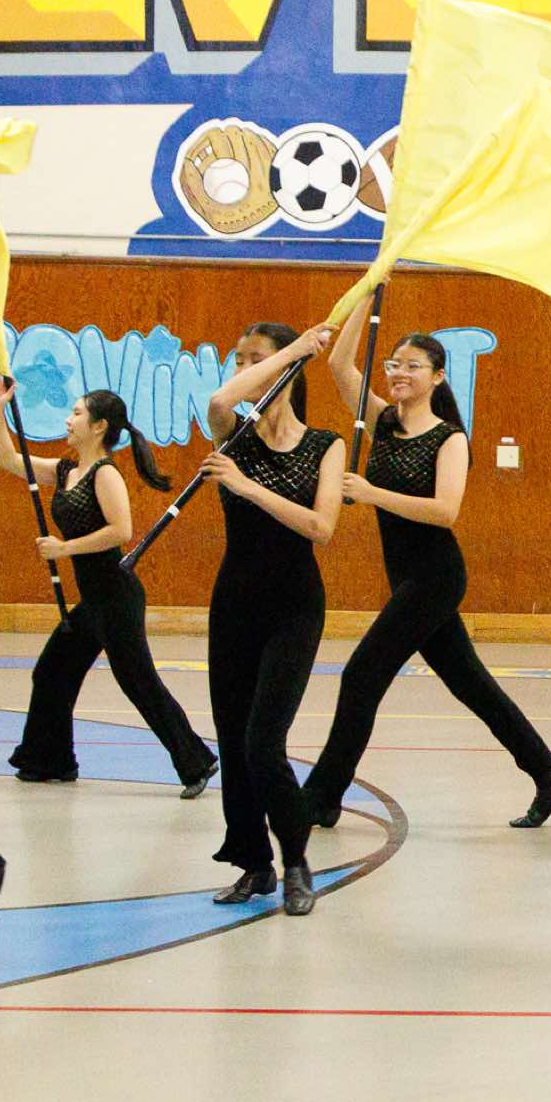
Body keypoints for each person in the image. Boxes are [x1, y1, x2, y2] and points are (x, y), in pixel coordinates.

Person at [303, 324, 551, 828]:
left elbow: (445, 511)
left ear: (437, 377)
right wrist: (365, 293)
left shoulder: (449, 438)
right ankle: (548, 776)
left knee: (361, 676)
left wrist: (371, 494)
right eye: (394, 364)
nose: (400, 373)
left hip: (435, 578)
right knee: (472, 684)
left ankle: (322, 796)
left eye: (413, 366)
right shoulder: (384, 423)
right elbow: (339, 366)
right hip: (406, 577)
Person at [0, 381, 216, 794]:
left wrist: (64, 549)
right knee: (52, 671)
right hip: (94, 600)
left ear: (98, 427)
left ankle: (196, 762)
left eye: (76, 413)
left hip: (116, 595)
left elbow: (120, 530)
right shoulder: (66, 471)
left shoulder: (105, 473)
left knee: (138, 681)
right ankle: (49, 761)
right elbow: (9, 460)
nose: (68, 420)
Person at [201, 322, 344, 917]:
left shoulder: (326, 445)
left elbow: (321, 527)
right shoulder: (232, 433)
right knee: (233, 742)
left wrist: (245, 487)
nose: (242, 370)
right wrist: (291, 351)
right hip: (234, 605)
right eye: (238, 359)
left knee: (264, 742)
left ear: (287, 370)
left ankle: (296, 861)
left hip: (294, 607)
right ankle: (254, 865)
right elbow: (219, 398)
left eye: (253, 359)